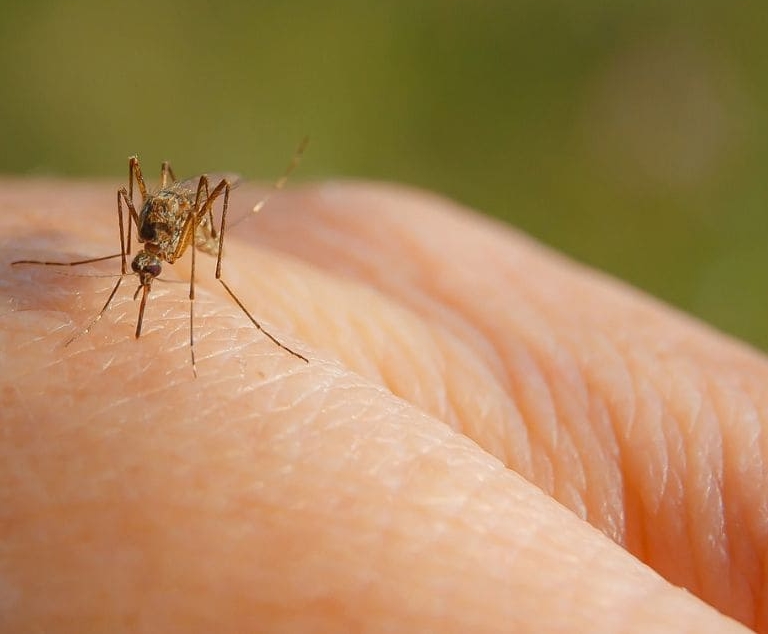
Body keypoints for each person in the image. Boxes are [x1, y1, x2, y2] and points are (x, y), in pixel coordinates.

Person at [0, 181, 758, 632]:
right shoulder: (140, 242)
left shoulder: (179, 231)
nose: (142, 275)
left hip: (189, 225)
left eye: (142, 267)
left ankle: (213, 280)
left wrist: (208, 277)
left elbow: (185, 216)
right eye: (142, 267)